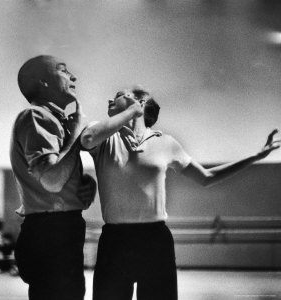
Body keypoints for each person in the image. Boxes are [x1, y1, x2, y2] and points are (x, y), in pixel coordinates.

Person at [80, 87, 280, 300]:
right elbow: (87, 139)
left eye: (120, 94)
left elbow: (207, 177)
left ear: (140, 102)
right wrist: (130, 112)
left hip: (154, 239)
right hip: (116, 239)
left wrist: (256, 156)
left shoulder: (166, 143)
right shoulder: (103, 136)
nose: (111, 98)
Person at [10, 55, 96, 300]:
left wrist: (84, 184)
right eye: (63, 70)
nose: (73, 76)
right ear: (43, 82)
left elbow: (57, 178)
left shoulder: (54, 121)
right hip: (51, 233)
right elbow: (52, 180)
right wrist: (77, 132)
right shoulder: (36, 116)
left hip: (56, 229)